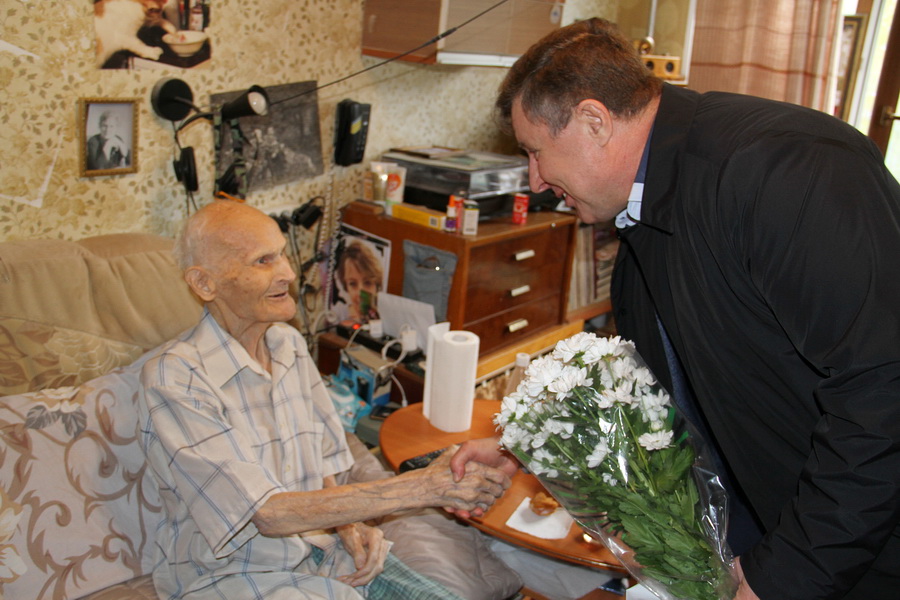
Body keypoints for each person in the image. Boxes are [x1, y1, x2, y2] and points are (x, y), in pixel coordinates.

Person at [450, 17, 900, 600]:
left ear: (593, 121)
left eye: (536, 152)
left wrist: (785, 576)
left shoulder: (787, 169)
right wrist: (536, 447)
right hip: (780, 521)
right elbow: (661, 400)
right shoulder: (643, 225)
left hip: (862, 541)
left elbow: (883, 391)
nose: (536, 181)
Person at [137, 199, 511, 600]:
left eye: (282, 253)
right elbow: (263, 512)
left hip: (324, 553)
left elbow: (324, 463)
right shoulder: (175, 378)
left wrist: (348, 525)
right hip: (238, 575)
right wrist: (422, 487)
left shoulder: (289, 344)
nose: (288, 273)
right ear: (204, 283)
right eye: (263, 261)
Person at [335, 238, 383, 323]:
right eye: (353, 284)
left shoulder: (384, 316)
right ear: (346, 286)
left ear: (377, 285)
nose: (360, 293)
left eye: (367, 283)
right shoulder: (338, 315)